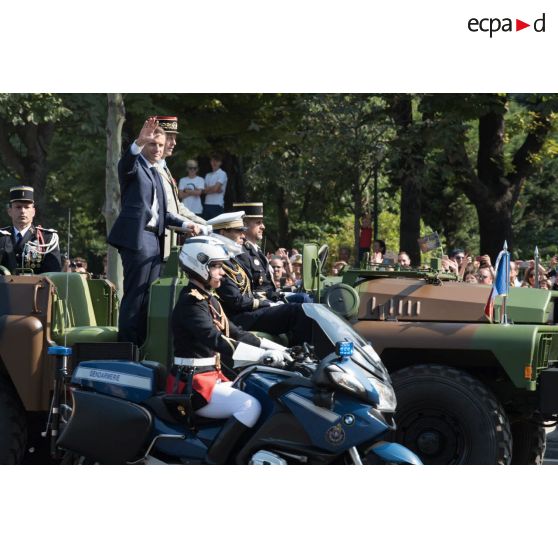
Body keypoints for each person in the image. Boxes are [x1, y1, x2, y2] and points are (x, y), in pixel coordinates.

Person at [171, 235, 289, 463]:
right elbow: (216, 340)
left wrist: (280, 349)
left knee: (261, 395)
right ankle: (214, 462)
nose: (222, 272)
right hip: (193, 385)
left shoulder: (209, 300)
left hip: (211, 378)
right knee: (249, 406)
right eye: (215, 266)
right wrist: (263, 356)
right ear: (199, 264)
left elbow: (236, 333)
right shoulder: (190, 303)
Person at [107, 117, 199, 346]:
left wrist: (190, 225)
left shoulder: (157, 173)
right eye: (152, 144)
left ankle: (140, 346)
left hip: (154, 240)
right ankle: (126, 349)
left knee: (148, 298)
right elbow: (125, 163)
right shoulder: (135, 166)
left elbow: (164, 214)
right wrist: (139, 141)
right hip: (137, 238)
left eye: (160, 144)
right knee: (135, 296)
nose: (157, 149)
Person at [207, 212, 313, 345]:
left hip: (248, 312)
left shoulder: (232, 260)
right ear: (223, 233)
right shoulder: (219, 263)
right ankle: (302, 355)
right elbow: (236, 301)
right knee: (297, 311)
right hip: (239, 318)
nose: (242, 235)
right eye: (238, 231)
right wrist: (266, 303)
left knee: (302, 307)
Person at [155, 116, 207, 260]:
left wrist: (205, 223)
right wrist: (190, 224)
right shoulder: (152, 169)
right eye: (169, 138)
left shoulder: (164, 168)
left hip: (168, 238)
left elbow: (177, 207)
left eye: (174, 138)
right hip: (156, 240)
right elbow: (165, 211)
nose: (174, 143)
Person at [0, 186, 61, 274]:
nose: (22, 211)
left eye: (27, 207)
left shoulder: (47, 238)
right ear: (9, 211)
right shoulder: (2, 237)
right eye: (18, 207)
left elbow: (53, 273)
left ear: (33, 212)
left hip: (36, 287)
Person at [232, 202, 277, 300]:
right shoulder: (241, 252)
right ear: (244, 225)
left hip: (271, 298)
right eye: (258, 222)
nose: (263, 226)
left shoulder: (256, 250)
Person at [203, 152, 227, 220]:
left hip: (217, 204)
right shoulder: (207, 175)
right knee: (207, 228)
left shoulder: (222, 173)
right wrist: (214, 189)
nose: (214, 163)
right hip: (207, 204)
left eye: (217, 161)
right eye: (213, 160)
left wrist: (209, 189)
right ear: (210, 162)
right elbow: (204, 191)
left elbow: (215, 189)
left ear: (220, 163)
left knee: (217, 229)